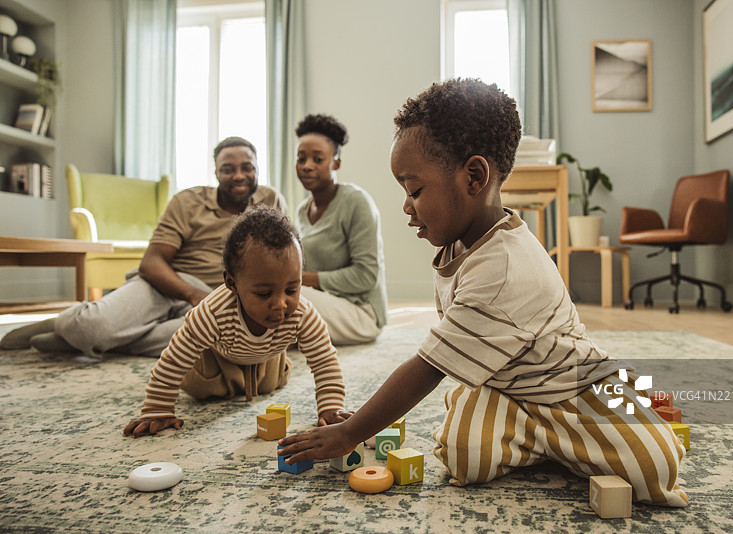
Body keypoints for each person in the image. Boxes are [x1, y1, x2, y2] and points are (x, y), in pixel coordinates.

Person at [278, 79, 689, 508]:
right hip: (508, 386)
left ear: (474, 176)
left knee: (655, 467)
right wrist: (362, 420)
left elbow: (428, 366)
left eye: (414, 190)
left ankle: (596, 416)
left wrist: (352, 431)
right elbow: (446, 351)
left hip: (573, 386)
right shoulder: (460, 241)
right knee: (461, 457)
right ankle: (542, 438)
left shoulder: (506, 265)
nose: (406, 205)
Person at [0, 137, 287, 358]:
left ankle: (101, 341)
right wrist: (193, 293)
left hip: (223, 300)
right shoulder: (187, 201)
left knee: (225, 340)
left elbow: (286, 259)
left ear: (257, 168)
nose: (238, 175)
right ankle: (74, 326)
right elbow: (151, 263)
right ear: (216, 173)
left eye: (246, 167)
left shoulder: (271, 201)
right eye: (228, 169)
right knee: (89, 327)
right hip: (170, 285)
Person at [124, 206, 350, 437]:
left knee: (273, 383)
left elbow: (324, 360)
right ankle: (228, 382)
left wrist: (331, 407)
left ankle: (250, 379)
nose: (280, 304)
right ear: (232, 283)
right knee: (203, 388)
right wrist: (157, 410)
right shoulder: (212, 312)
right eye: (264, 293)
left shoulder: (302, 313)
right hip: (216, 358)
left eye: (292, 289)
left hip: (266, 359)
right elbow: (173, 360)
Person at [294, 113, 387, 345]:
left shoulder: (356, 202)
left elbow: (367, 276)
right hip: (322, 304)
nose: (307, 166)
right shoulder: (300, 211)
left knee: (291, 297)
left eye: (317, 159)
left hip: (361, 313)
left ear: (336, 162)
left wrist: (300, 279)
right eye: (301, 158)